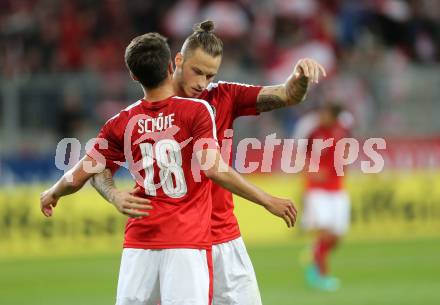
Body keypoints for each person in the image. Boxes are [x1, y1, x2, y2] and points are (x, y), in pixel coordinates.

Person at [40, 32, 296, 305]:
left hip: (139, 244)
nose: (202, 82)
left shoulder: (121, 122)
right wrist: (267, 200)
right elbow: (213, 168)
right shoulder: (197, 111)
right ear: (172, 66)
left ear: (133, 76)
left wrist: (52, 193)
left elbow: (78, 175)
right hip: (186, 242)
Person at [89, 20, 326, 305]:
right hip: (172, 242)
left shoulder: (224, 95)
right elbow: (97, 164)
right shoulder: (145, 112)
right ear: (178, 61)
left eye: (210, 75)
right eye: (197, 72)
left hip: (223, 238)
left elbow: (287, 94)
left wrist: (299, 76)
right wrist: (113, 194)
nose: (202, 83)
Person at [295, 103, 352, 291]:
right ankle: (321, 276)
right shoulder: (311, 129)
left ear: (335, 117)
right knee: (325, 232)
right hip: (317, 190)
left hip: (337, 188)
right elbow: (297, 154)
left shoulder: (342, 129)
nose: (321, 116)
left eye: (326, 114)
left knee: (337, 236)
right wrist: (310, 170)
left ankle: (315, 252)